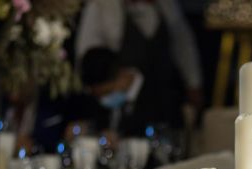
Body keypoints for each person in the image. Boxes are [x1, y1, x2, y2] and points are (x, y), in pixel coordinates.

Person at [76, 0, 203, 130]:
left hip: (165, 94)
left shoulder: (167, 5)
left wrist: (193, 83)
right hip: (119, 95)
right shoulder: (102, 5)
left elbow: (184, 46)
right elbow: (89, 61)